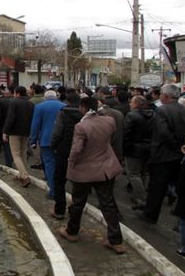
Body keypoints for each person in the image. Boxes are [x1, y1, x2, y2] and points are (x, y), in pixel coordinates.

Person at [57, 97, 125, 255]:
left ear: (82, 108)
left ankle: (72, 231)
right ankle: (116, 241)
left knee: (78, 203)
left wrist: (71, 163)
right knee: (108, 204)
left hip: (84, 170)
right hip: (106, 168)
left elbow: (76, 149)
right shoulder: (109, 121)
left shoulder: (82, 126)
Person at [135, 84, 185, 224]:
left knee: (157, 187)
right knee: (182, 188)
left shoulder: (162, 111)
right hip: (183, 155)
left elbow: (163, 133)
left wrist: (176, 146)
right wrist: (184, 147)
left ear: (165, 96)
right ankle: (183, 219)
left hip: (163, 155)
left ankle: (150, 214)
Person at [50, 91, 81, 220]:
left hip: (63, 150)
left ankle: (59, 209)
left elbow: (57, 132)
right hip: (80, 151)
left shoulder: (63, 113)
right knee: (78, 183)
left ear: (67, 101)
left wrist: (53, 145)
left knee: (59, 181)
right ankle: (74, 210)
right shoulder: (84, 114)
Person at [29, 90, 66, 198]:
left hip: (46, 140)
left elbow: (35, 125)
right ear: (56, 96)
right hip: (61, 140)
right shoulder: (63, 106)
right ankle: (60, 188)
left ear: (45, 97)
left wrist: (33, 140)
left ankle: (53, 190)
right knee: (60, 165)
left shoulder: (40, 107)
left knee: (49, 164)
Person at [3, 86, 35, 186]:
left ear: (17, 93)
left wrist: (5, 132)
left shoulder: (14, 102)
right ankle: (22, 174)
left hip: (14, 132)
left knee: (15, 154)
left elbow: (10, 118)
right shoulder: (31, 103)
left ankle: (25, 176)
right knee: (23, 153)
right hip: (26, 131)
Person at [123, 95, 155, 193]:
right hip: (149, 147)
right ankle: (143, 193)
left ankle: (142, 198)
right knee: (143, 173)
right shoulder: (154, 115)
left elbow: (126, 133)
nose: (130, 104)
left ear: (136, 104)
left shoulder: (131, 115)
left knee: (133, 174)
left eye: (132, 102)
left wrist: (125, 148)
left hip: (134, 149)